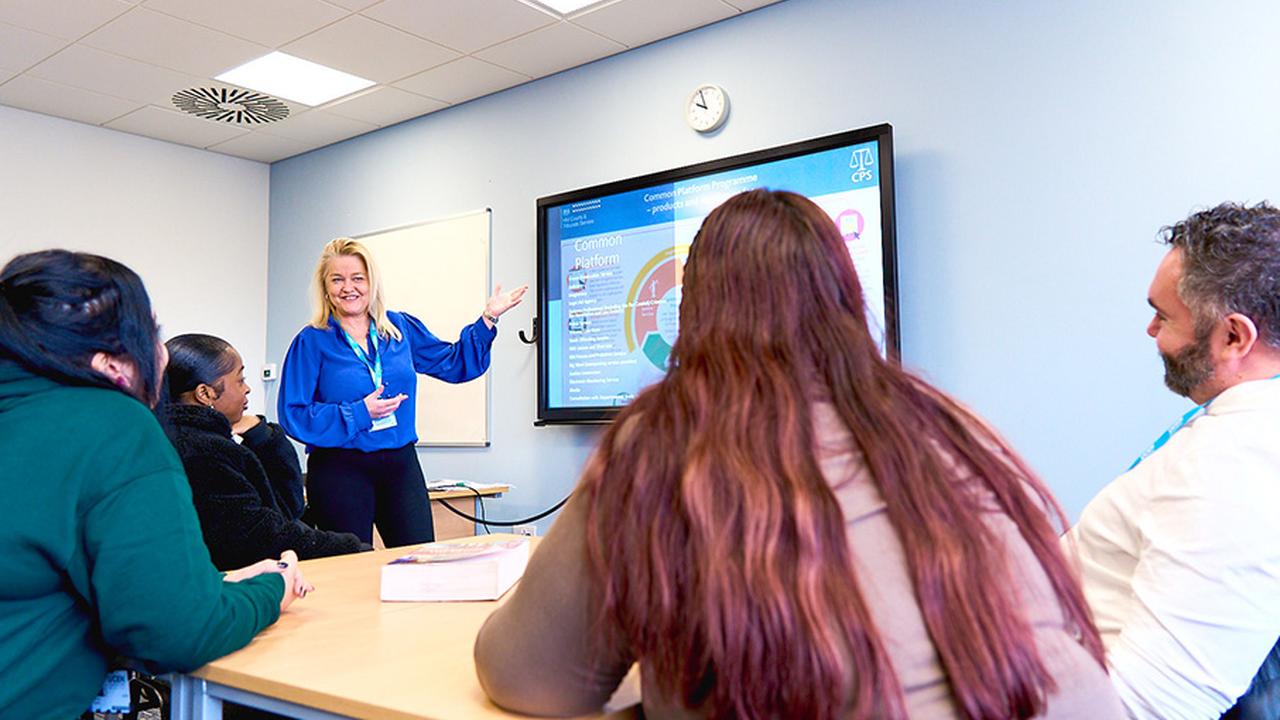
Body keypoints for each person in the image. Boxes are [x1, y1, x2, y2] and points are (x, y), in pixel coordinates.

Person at [475, 190, 1123, 719]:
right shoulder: (944, 422)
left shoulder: (664, 437)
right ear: (843, 298)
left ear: (694, 310)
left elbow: (527, 677)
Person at [0, 250, 311, 719]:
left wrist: (216, 584)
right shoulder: (112, 425)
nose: (160, 353)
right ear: (110, 363)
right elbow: (177, 633)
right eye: (152, 332)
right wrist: (272, 590)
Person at [1067, 202, 1280, 719]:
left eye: (1163, 316)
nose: (1150, 331)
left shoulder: (1237, 465)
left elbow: (1154, 707)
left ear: (1234, 336)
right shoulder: (1239, 426)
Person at [278, 238, 525, 546]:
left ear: (372, 282)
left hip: (400, 465)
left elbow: (453, 363)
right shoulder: (312, 340)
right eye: (337, 279)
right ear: (325, 287)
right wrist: (358, 413)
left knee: (422, 560)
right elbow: (294, 414)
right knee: (350, 570)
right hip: (340, 469)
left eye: (358, 278)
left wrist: (488, 319)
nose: (348, 287)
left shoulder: (399, 328)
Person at [165, 333, 366, 571]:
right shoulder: (205, 453)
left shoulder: (173, 437)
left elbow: (283, 510)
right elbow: (259, 537)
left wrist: (263, 436)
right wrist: (350, 547)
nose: (247, 389)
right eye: (240, 380)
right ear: (205, 393)